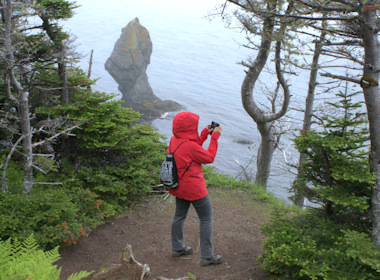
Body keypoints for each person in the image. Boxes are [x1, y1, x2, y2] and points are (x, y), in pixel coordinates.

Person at [168, 111, 223, 266]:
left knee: (179, 216)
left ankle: (177, 248)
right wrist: (214, 138)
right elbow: (209, 157)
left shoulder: (174, 140)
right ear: (190, 127)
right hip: (194, 189)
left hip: (178, 186)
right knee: (206, 219)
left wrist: (204, 134)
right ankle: (207, 256)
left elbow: (190, 148)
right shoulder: (190, 146)